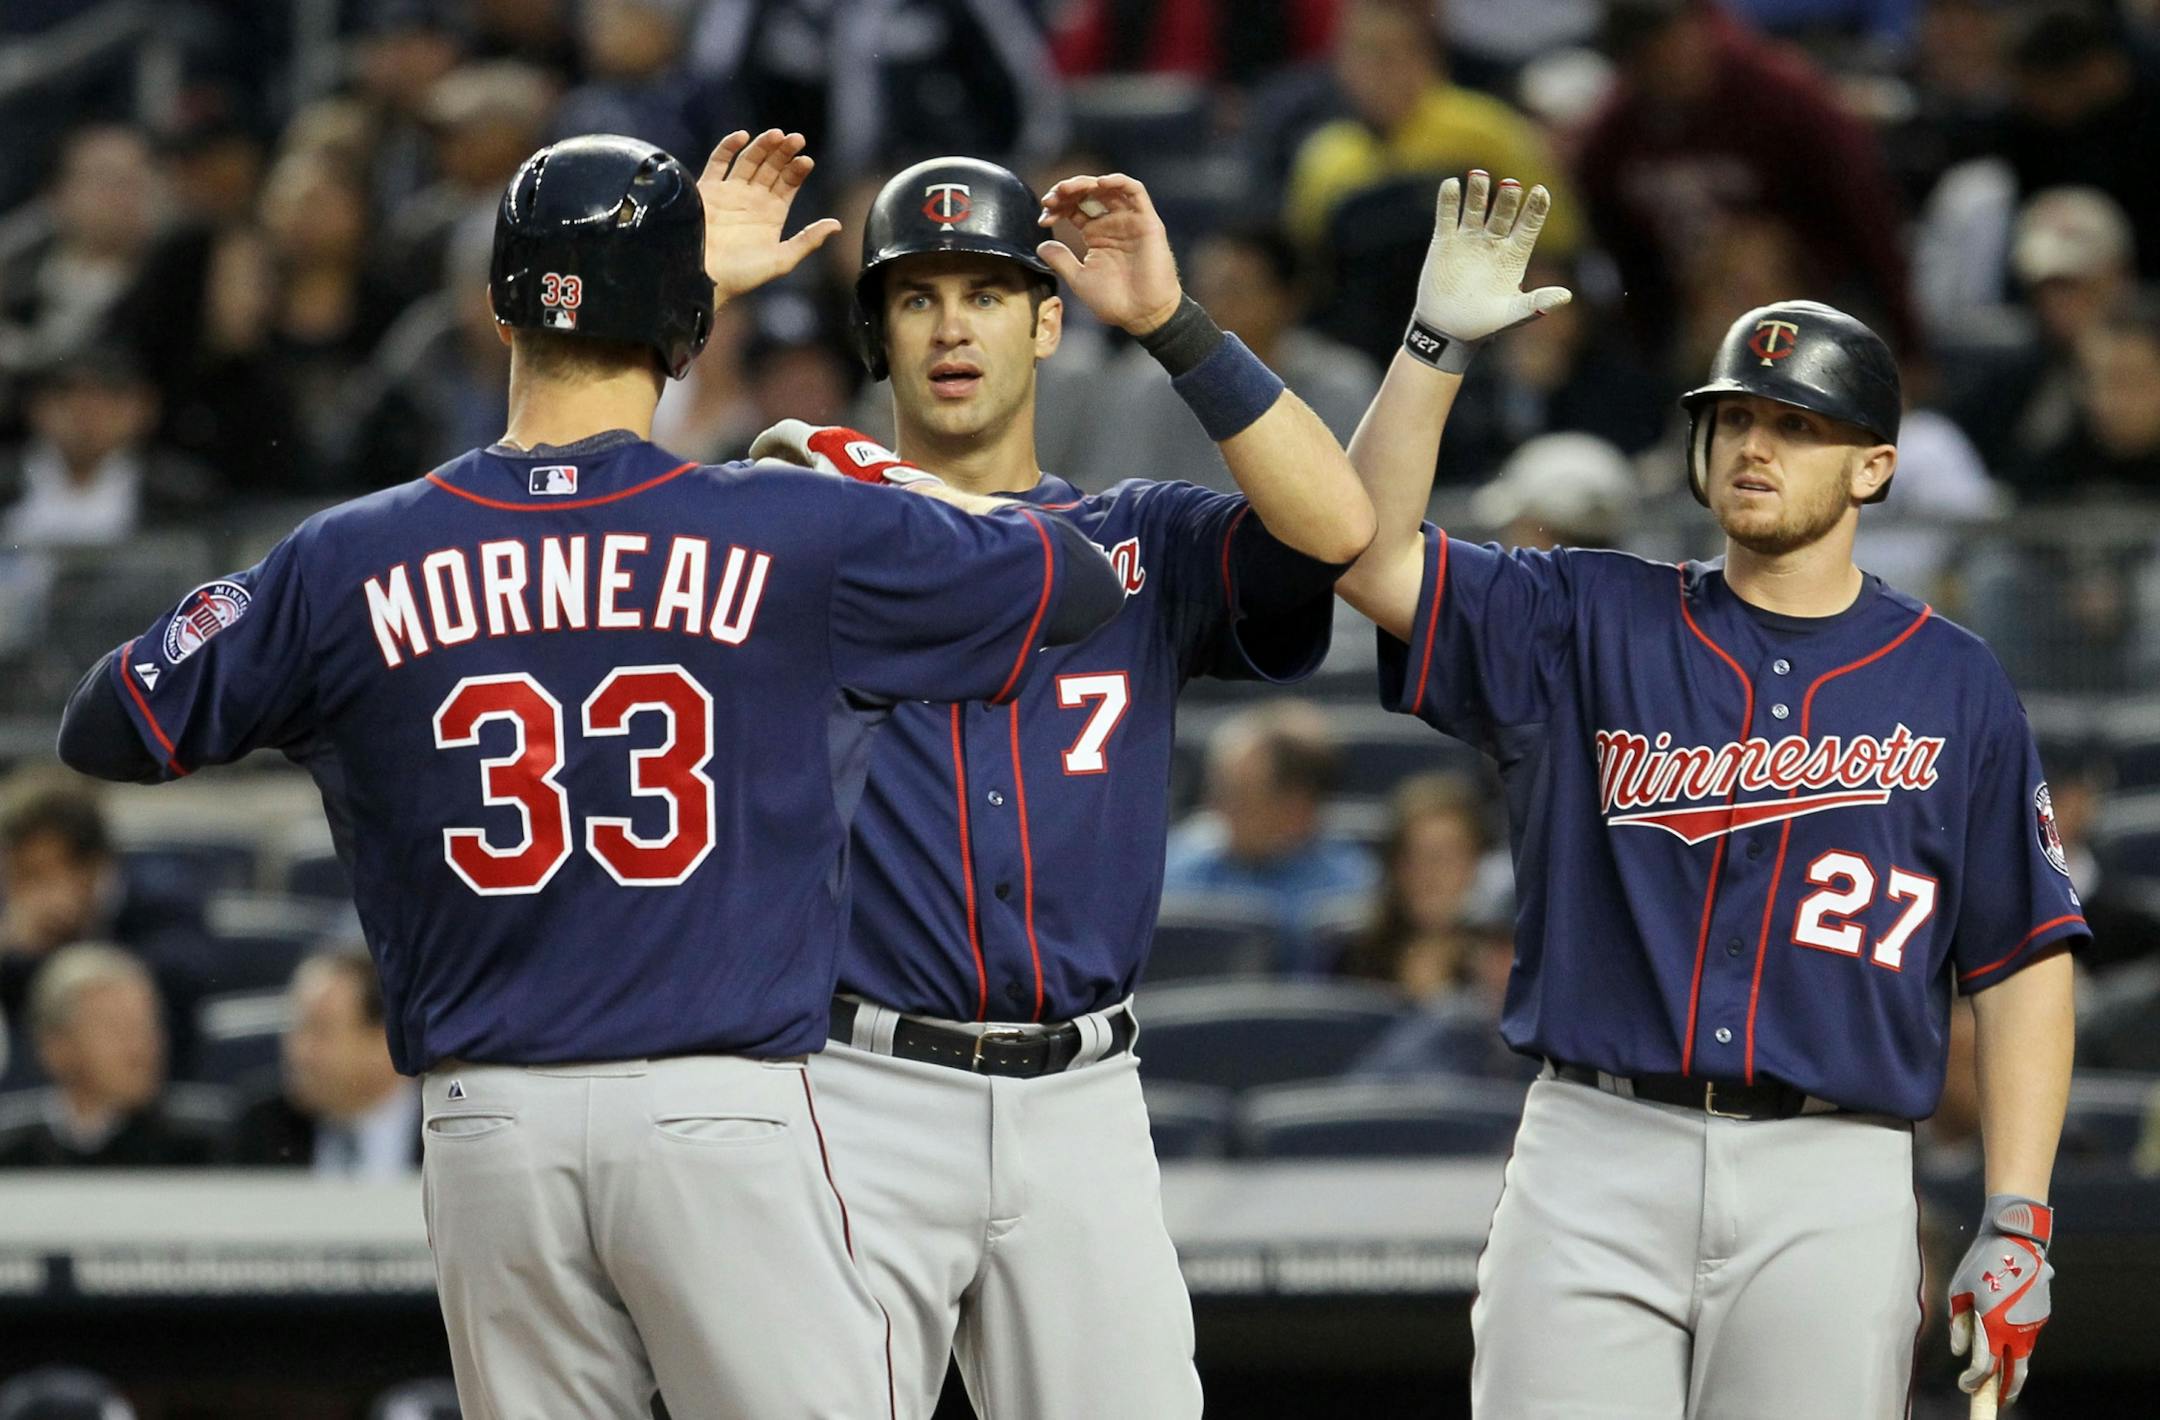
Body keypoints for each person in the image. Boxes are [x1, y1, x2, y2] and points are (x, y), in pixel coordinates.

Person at [55, 128, 1126, 1418]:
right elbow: (1066, 584)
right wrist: (880, 470)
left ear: (502, 302)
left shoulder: (349, 557)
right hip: (716, 1117)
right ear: (686, 328)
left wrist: (276, 604)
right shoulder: (793, 524)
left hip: (484, 1131)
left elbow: (110, 721)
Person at [1333, 170, 2079, 1415]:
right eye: (1736, 418)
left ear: (1875, 467)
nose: (1755, 444)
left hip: (1830, 1169)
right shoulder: (1589, 612)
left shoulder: (1957, 682)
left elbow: (2020, 956)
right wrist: (1434, 349)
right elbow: (1363, 551)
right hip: (1594, 1146)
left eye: (1796, 425)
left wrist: (2019, 1212)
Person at [764, 155, 1375, 1418]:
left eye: (987, 291)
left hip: (1085, 1096)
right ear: (876, 332)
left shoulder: (1138, 538)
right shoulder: (799, 536)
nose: (951, 326)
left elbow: (1335, 529)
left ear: (1047, 320)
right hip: (855, 1080)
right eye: (917, 295)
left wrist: (1172, 321)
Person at [1162, 700, 1376, 973]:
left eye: (1236, 796)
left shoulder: (1356, 896)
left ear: (1296, 809)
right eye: (1217, 790)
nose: (1214, 807)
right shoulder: (1174, 870)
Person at [0, 944, 225, 1169]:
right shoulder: (12, 1149)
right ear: (56, 1047)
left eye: (148, 1026)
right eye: (117, 1030)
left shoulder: (204, 1144)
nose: (140, 1047)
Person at [227, 945, 420, 1177]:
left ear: (387, 1041)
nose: (299, 1052)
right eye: (296, 1028)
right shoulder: (261, 1127)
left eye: (320, 1031)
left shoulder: (452, 1123)